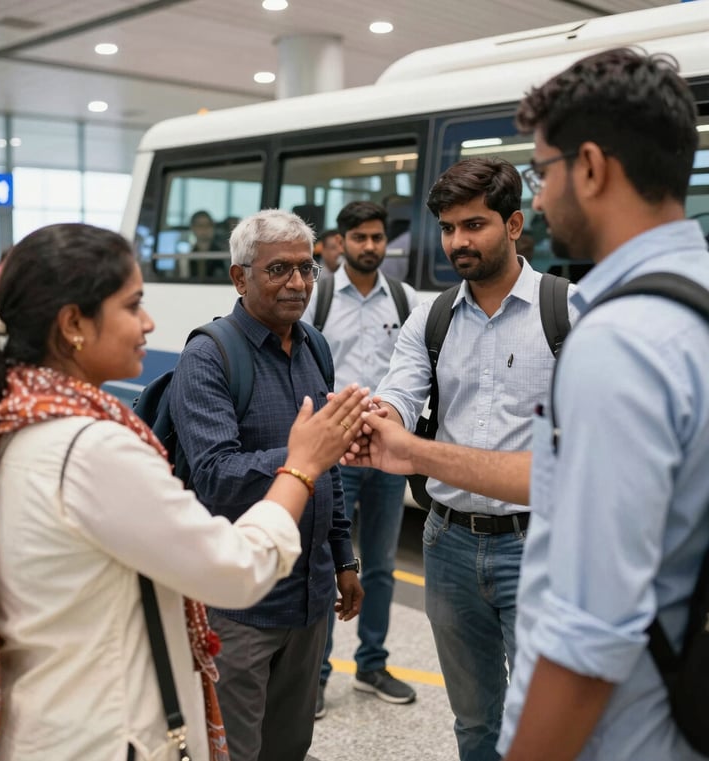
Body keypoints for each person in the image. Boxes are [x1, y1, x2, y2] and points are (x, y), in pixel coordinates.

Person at [0, 222, 369, 761]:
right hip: (95, 730)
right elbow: (233, 567)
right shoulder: (92, 448)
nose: (148, 322)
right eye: (133, 304)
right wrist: (302, 463)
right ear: (74, 323)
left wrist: (340, 554)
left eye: (306, 268)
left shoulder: (15, 419)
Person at [495, 48, 709, 761]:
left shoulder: (621, 341)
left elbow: (589, 633)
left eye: (541, 172)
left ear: (590, 167)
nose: (539, 197)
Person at [373, 157, 577, 761]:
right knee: (475, 722)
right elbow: (401, 394)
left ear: (514, 225)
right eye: (447, 227)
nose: (458, 241)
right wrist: (379, 418)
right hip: (448, 545)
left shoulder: (568, 312)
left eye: (474, 225)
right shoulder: (430, 319)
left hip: (540, 545)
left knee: (544, 722)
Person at [169, 209, 365, 761]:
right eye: (279, 269)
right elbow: (215, 477)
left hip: (310, 598)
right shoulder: (208, 355)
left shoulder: (315, 347)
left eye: (307, 269)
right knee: (233, 751)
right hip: (239, 605)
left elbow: (330, 469)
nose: (299, 284)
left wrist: (344, 558)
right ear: (240, 277)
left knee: (289, 746)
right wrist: (304, 452)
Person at [303, 201, 419, 717]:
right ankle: (318, 676)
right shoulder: (319, 296)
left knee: (381, 566)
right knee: (329, 562)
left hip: (387, 456)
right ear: (341, 241)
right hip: (338, 455)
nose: (370, 246)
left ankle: (372, 664)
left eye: (377, 238)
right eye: (360, 238)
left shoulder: (404, 298)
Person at [189, 210, 227, 279]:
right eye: (200, 225)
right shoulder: (184, 258)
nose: (204, 229)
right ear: (192, 228)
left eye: (208, 225)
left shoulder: (223, 256)